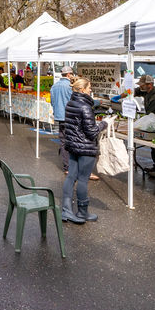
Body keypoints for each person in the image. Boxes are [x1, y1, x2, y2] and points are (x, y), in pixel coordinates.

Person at [60, 76, 107, 224]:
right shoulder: (85, 107)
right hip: (85, 148)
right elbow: (92, 132)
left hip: (73, 146)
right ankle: (82, 212)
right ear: (82, 90)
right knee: (83, 180)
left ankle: (66, 210)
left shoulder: (70, 103)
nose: (90, 90)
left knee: (71, 177)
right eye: (89, 88)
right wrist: (104, 124)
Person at [50, 65, 75, 173]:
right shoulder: (70, 86)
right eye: (72, 74)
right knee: (72, 140)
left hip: (60, 116)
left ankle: (67, 167)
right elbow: (74, 101)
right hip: (70, 116)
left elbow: (52, 102)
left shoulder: (54, 86)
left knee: (63, 141)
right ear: (69, 74)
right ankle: (72, 166)